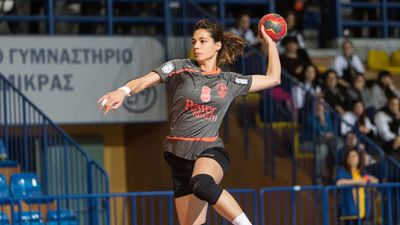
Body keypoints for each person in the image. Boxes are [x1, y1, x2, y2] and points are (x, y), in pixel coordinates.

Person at [98, 19, 281, 225]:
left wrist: (271, 44)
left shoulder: (230, 81)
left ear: (217, 45)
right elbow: (144, 80)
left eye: (203, 41)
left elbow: (273, 78)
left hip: (209, 150)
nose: (196, 45)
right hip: (178, 156)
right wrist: (123, 91)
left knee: (202, 183)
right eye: (194, 41)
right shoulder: (179, 68)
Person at [336, 149, 379, 225]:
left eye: (353, 156)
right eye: (348, 156)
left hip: (362, 212)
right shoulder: (343, 171)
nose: (351, 158)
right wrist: (358, 182)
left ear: (359, 159)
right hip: (349, 212)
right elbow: (339, 182)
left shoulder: (362, 172)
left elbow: (375, 181)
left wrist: (372, 179)